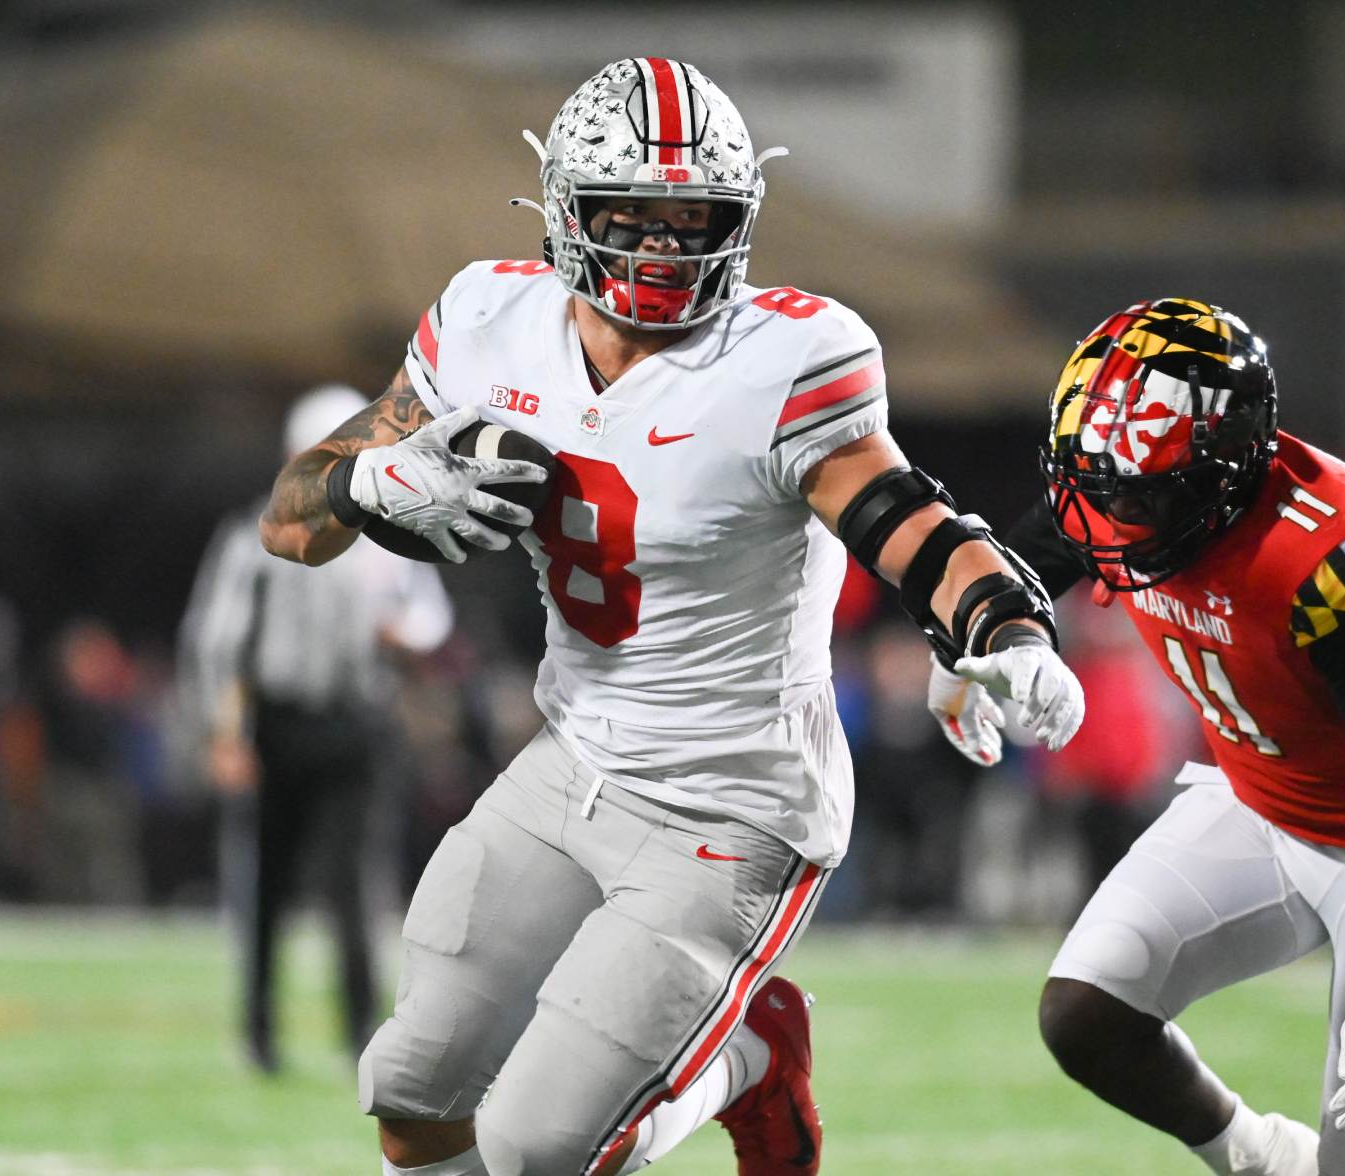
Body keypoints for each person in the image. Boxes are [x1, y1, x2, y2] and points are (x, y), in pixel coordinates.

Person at [259, 57, 1083, 1176]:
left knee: (540, 1146)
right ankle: (739, 1052)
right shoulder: (486, 319)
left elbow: (909, 522)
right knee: (411, 1094)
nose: (659, 247)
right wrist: (364, 486)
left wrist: (1004, 628)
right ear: (564, 212)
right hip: (570, 763)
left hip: (736, 803)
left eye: (688, 217)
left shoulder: (785, 357)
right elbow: (291, 521)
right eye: (628, 216)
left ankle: (749, 1060)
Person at [935, 298, 1345, 1176]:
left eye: (1136, 494)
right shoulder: (1129, 485)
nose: (1110, 519)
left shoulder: (1324, 564)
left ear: (1222, 471)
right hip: (1263, 801)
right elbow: (1033, 553)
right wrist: (978, 641)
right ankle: (1258, 1158)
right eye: (1098, 485)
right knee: (1087, 1013)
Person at [182, 384, 456, 1073]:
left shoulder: (385, 536)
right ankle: (259, 1034)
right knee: (264, 887)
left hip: (355, 723)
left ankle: (361, 1032)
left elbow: (430, 616)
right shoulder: (256, 536)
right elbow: (218, 643)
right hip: (279, 726)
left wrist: (406, 634)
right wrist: (225, 735)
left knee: (355, 887)